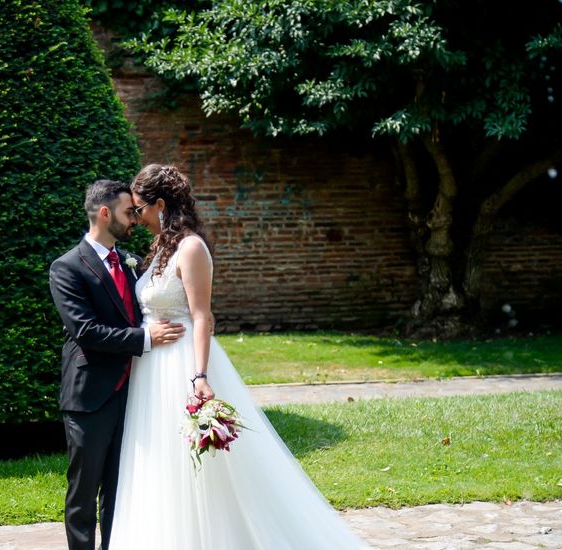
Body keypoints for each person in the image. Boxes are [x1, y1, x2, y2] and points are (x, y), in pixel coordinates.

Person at [108, 165, 371, 549]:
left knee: (201, 470)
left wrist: (199, 376)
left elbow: (202, 316)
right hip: (151, 370)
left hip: (181, 363)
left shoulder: (190, 248)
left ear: (160, 205)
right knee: (161, 465)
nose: (136, 216)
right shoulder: (159, 249)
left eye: (140, 208)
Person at [48, 179, 187, 550]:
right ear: (105, 213)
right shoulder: (66, 268)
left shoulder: (129, 264)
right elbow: (87, 331)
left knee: (119, 488)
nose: (135, 220)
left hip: (131, 393)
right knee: (83, 491)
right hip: (89, 396)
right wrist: (146, 339)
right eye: (129, 212)